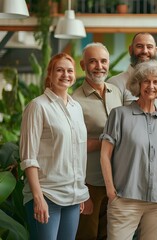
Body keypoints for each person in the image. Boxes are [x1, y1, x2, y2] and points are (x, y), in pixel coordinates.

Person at [100, 60, 157, 240]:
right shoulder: (119, 115)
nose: (151, 86)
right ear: (138, 84)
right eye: (146, 81)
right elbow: (105, 155)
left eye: (156, 82)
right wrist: (111, 191)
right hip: (125, 199)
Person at [19, 53, 89, 240]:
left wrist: (79, 190)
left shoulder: (76, 108)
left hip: (72, 196)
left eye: (69, 70)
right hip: (47, 195)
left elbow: (79, 153)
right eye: (59, 70)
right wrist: (38, 198)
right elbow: (28, 158)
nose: (65, 74)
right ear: (49, 74)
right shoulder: (38, 106)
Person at [72, 42, 123, 240]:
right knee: (87, 235)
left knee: (109, 235)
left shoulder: (115, 92)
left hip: (116, 180)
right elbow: (73, 146)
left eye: (103, 61)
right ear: (83, 65)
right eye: (92, 61)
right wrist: (81, 190)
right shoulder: (75, 100)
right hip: (90, 181)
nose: (99, 66)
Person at [107, 32, 157, 113]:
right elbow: (115, 120)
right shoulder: (114, 83)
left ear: (156, 51)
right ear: (130, 50)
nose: (145, 51)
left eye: (149, 47)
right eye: (139, 46)